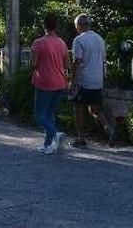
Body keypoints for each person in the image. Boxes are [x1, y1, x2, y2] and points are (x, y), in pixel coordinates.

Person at [70, 14, 114, 147]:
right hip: (98, 80)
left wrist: (73, 81)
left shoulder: (79, 40)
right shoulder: (100, 39)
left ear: (78, 26)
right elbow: (104, 61)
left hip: (84, 80)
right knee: (95, 109)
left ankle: (80, 138)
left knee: (78, 108)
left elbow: (77, 61)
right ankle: (107, 127)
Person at [31, 13, 69, 154]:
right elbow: (66, 64)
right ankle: (47, 145)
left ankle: (55, 134)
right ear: (56, 26)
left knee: (40, 116)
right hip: (60, 83)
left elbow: (34, 63)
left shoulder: (39, 43)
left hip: (45, 82)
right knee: (50, 113)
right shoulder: (62, 43)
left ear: (44, 25)